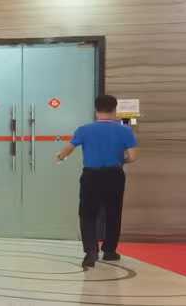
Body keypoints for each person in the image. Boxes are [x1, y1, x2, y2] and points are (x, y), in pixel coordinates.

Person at [56, 93, 138, 269]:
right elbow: (132, 157)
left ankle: (91, 252)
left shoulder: (84, 130)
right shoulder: (125, 130)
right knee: (113, 213)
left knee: (87, 214)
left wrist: (60, 157)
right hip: (114, 175)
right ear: (115, 110)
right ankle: (109, 251)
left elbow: (67, 150)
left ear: (96, 110)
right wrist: (120, 160)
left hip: (91, 176)